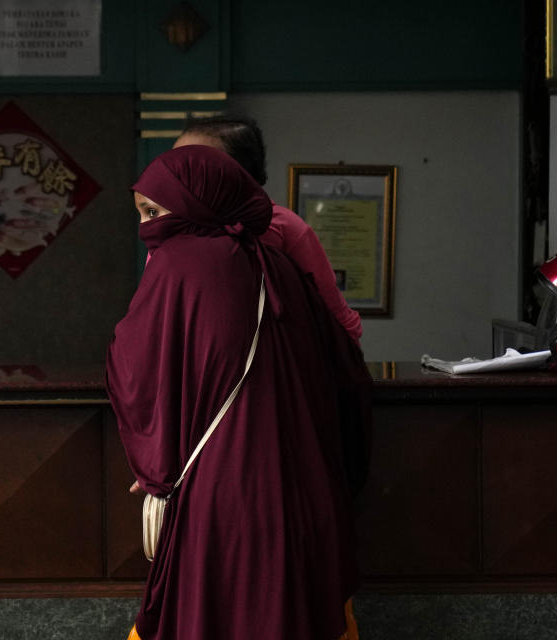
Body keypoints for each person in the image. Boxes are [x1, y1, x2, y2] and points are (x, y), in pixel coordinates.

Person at [106, 145, 371, 639]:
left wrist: (155, 467)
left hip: (223, 490)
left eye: (153, 211)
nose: (147, 227)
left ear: (198, 201)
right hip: (305, 487)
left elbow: (138, 368)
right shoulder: (278, 265)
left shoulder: (180, 262)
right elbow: (342, 357)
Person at [173, 115, 363, 344]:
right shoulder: (170, 232)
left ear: (236, 174)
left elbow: (341, 324)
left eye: (190, 166)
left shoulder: (287, 228)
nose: (172, 176)